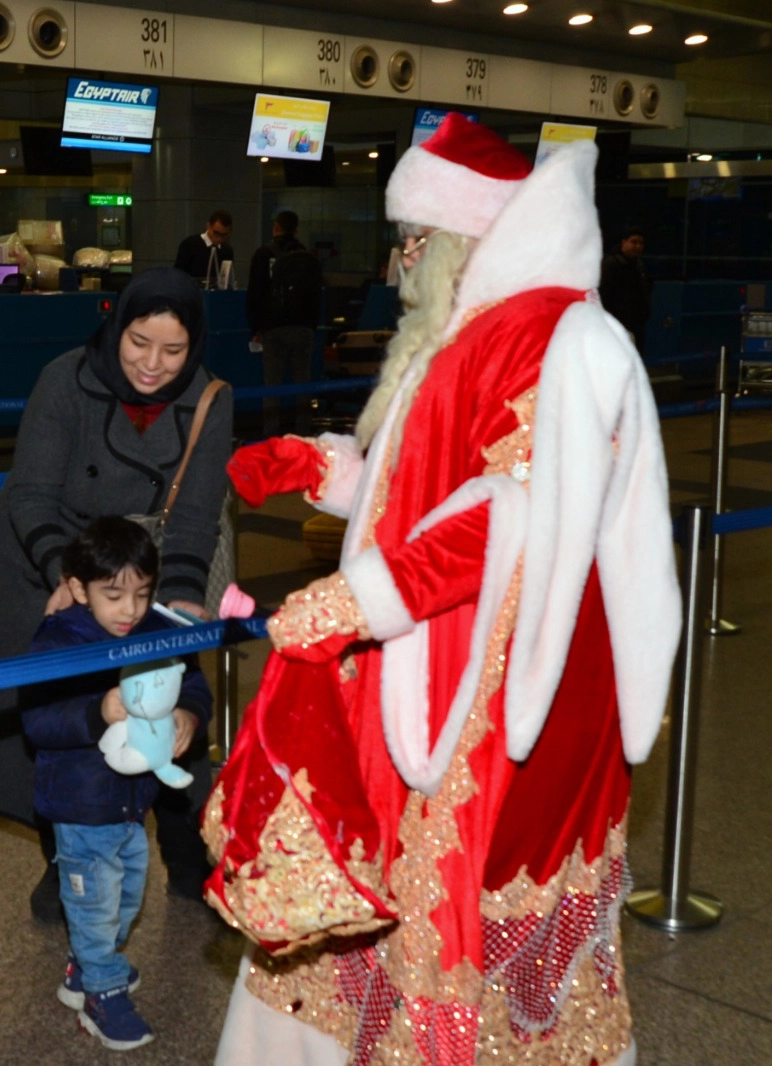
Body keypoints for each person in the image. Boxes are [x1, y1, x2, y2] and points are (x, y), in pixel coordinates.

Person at [208, 114, 681, 1064]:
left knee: (445, 891)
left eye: (415, 242)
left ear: (463, 237)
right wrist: (326, 468)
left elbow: (515, 514)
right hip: (436, 654)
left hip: (496, 691)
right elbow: (427, 488)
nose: (401, 265)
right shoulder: (472, 331)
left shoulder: (554, 337)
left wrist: (355, 601)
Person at [0, 268, 233, 917]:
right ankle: (66, 858)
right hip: (51, 559)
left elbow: (194, 514)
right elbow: (32, 494)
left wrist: (180, 598)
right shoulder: (66, 379)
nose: (152, 364)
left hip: (146, 569)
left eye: (173, 350)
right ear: (116, 327)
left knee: (171, 700)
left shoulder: (210, 398)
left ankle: (192, 855)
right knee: (63, 718)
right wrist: (66, 578)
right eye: (138, 342)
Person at [21, 517, 213, 1051]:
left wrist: (189, 715)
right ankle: (101, 992)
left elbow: (193, 681)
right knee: (95, 905)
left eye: (142, 594)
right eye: (113, 595)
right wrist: (95, 711)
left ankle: (85, 966)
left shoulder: (155, 628)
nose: (129, 609)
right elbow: (37, 721)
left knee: (126, 897)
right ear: (78, 588)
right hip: (79, 804)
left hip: (133, 803)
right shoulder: (58, 641)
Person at [246, 209, 323, 436]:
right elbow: (316, 295)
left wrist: (256, 327)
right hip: (303, 328)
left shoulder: (263, 254)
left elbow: (255, 294)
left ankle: (271, 435)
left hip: (274, 328)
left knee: (272, 385)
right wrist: (311, 326)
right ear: (296, 230)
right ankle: (303, 433)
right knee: (303, 383)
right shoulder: (308, 257)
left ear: (276, 227)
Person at [599, 226, 651, 354]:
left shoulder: (639, 266)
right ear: (624, 242)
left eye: (641, 243)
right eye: (634, 242)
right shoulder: (611, 265)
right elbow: (603, 296)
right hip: (617, 326)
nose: (637, 246)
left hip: (636, 326)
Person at [172, 210, 234, 288]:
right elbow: (178, 275)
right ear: (208, 226)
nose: (219, 238)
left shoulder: (227, 251)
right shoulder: (190, 244)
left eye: (224, 235)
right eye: (216, 233)